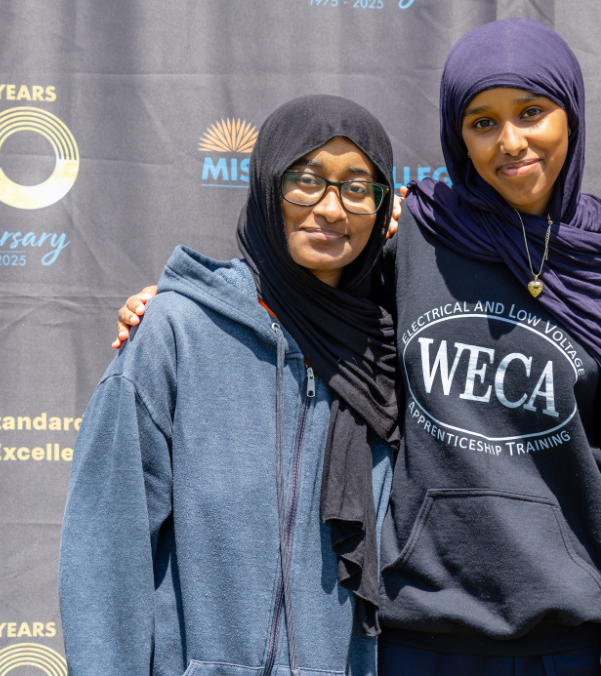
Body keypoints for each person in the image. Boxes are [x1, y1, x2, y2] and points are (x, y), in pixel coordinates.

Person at [112, 19, 601, 676]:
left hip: (571, 631)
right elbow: (309, 287)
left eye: (532, 112)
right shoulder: (421, 236)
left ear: (572, 115)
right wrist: (185, 299)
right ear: (457, 132)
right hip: (420, 630)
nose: (511, 141)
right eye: (483, 122)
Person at [59, 95, 402, 676]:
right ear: (268, 186)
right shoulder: (178, 331)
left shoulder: (387, 353)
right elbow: (105, 551)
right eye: (307, 181)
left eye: (356, 187)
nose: (330, 208)